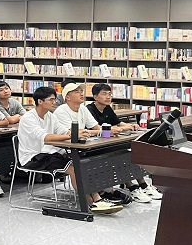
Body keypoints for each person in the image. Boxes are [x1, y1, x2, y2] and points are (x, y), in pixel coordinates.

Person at [17, 86, 121, 215]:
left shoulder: (50, 116)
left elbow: (64, 131)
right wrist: (72, 135)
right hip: (33, 157)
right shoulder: (28, 118)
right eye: (51, 100)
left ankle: (97, 199)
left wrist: (77, 133)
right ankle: (90, 203)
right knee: (73, 168)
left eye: (55, 99)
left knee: (81, 164)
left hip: (49, 153)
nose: (54, 102)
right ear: (40, 101)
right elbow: (45, 137)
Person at [87, 83, 163, 203]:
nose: (108, 97)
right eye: (104, 94)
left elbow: (117, 122)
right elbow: (98, 129)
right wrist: (121, 128)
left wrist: (130, 125)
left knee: (130, 154)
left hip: (109, 142)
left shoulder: (107, 108)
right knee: (122, 157)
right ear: (95, 97)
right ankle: (132, 187)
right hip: (96, 146)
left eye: (110, 94)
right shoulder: (89, 110)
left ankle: (143, 185)